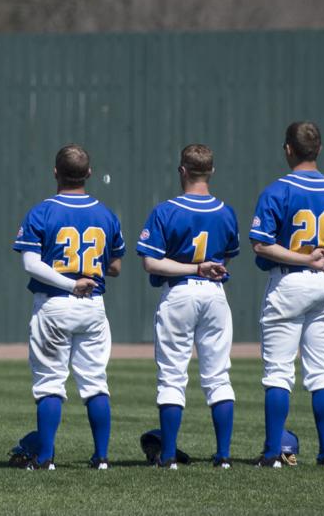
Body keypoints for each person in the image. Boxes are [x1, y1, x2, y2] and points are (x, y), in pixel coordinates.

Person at [11, 144, 124, 470]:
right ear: (88, 174)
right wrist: (88, 272)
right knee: (95, 382)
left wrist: (70, 282)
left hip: (55, 304)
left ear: (56, 172)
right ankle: (101, 457)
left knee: (49, 382)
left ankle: (45, 457)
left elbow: (31, 263)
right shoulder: (106, 214)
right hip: (93, 306)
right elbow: (115, 266)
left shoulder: (42, 212)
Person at [249, 121, 324, 469]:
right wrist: (315, 259)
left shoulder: (278, 191)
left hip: (291, 282)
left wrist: (302, 258)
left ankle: (271, 455)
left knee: (278, 372)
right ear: (319, 150)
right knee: (321, 371)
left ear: (288, 150)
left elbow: (261, 244)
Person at [135, 144, 240, 470]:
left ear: (182, 170)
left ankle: (167, 457)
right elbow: (227, 255)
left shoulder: (166, 210)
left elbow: (151, 263)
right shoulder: (226, 211)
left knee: (171, 378)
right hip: (214, 294)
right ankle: (223, 457)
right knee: (218, 376)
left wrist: (193, 268)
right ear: (211, 171)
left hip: (180, 293)